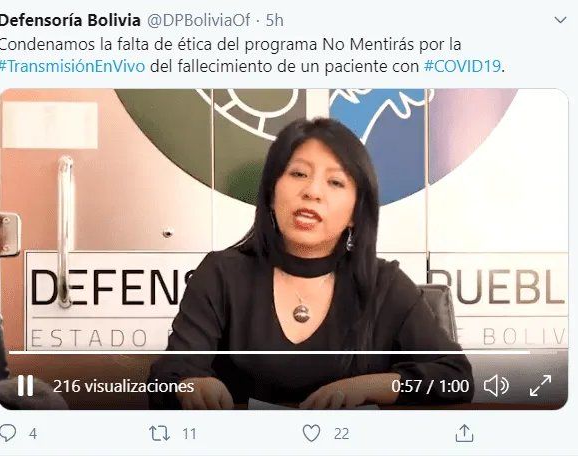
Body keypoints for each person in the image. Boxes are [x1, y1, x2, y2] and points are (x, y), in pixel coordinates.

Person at [148, 117, 474, 409]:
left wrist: (368, 387)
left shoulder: (384, 285)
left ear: (355, 212)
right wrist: (190, 385)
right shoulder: (222, 275)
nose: (312, 191)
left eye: (335, 182)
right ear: (271, 193)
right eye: (299, 174)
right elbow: (167, 376)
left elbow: (455, 378)